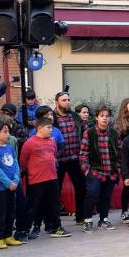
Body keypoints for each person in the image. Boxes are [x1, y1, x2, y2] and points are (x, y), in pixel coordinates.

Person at [20, 117, 71, 238]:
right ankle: (24, 231)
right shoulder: (30, 143)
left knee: (54, 204)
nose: (51, 130)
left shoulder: (52, 141)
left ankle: (56, 227)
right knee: (33, 206)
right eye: (48, 127)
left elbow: (53, 156)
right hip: (36, 180)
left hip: (52, 178)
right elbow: (23, 161)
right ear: (40, 128)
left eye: (51, 127)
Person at [80, 105, 120, 232]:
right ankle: (87, 220)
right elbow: (83, 153)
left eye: (107, 116)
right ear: (97, 117)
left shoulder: (114, 133)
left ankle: (104, 219)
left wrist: (118, 168)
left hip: (110, 171)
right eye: (102, 116)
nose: (104, 119)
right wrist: (86, 170)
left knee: (106, 196)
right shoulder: (89, 132)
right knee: (92, 194)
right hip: (95, 171)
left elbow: (119, 151)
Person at [0, 119, 22, 249]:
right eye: (4, 132)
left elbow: (16, 164)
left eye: (8, 131)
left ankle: (8, 235)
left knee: (10, 211)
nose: (8, 135)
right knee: (0, 213)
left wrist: (16, 179)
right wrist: (8, 183)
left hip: (12, 185)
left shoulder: (10, 147)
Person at [53, 92, 87, 226]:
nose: (67, 102)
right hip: (58, 160)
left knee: (81, 187)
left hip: (74, 158)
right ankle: (54, 222)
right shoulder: (52, 117)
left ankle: (81, 217)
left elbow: (85, 131)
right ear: (57, 102)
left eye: (68, 100)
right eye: (64, 100)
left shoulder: (74, 116)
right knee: (55, 191)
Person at [114, 97, 129, 222]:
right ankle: (124, 211)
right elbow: (116, 144)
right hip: (125, 159)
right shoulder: (119, 124)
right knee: (128, 185)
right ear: (125, 106)